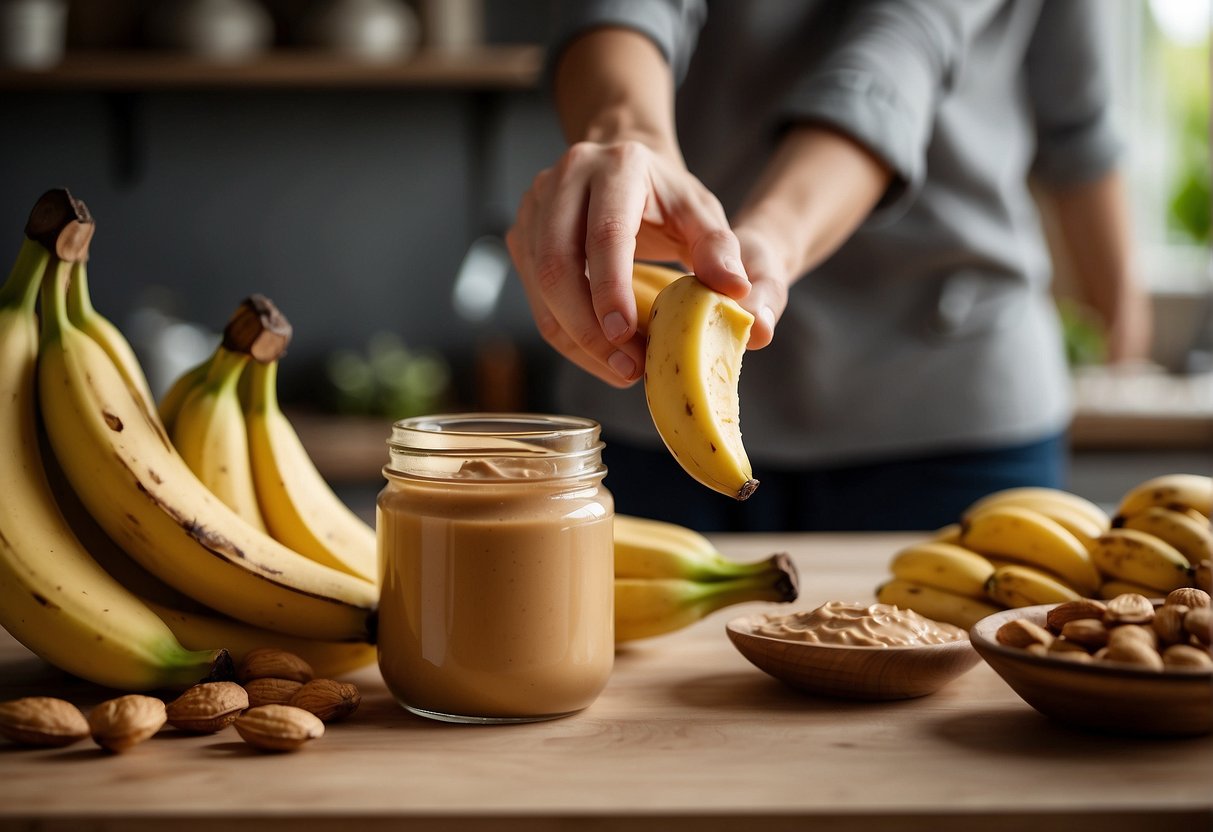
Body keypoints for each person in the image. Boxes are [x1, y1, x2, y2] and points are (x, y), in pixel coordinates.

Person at [506, 0, 1152, 532]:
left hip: (953, 411)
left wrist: (774, 239)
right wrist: (628, 141)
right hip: (648, 400)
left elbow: (910, 42)